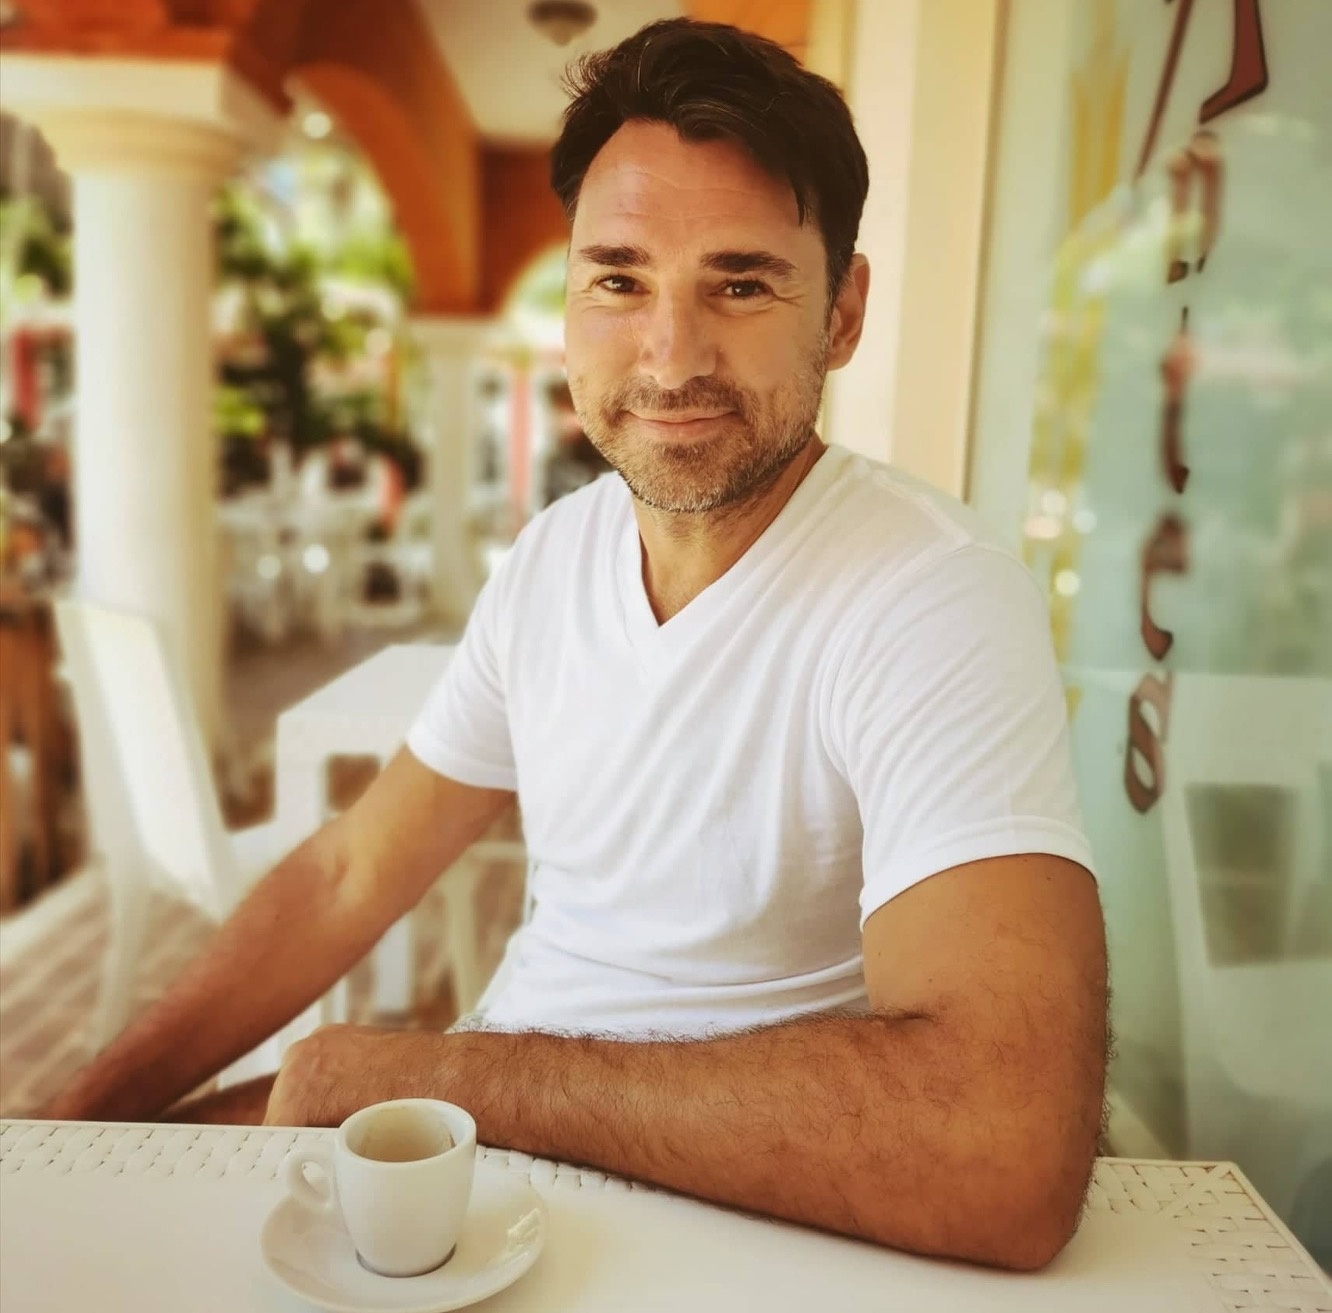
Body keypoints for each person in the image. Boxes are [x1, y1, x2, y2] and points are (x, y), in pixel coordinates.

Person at [43, 19, 1108, 1272]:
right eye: (619, 279)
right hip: (495, 1143)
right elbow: (349, 872)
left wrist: (448, 1072)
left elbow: (1002, 1142)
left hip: (735, 1207)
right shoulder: (555, 557)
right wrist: (75, 1118)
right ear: (567, 300)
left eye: (742, 283)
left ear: (844, 312)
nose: (671, 354)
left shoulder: (928, 594)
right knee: (106, 1218)